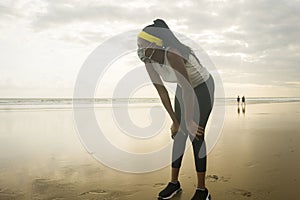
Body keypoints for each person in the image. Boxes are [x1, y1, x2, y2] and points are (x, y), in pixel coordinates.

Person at [137, 19, 214, 200]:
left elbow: (188, 88)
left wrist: (189, 121)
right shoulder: (148, 62)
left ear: (155, 44)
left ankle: (203, 190)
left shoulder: (172, 54)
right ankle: (174, 184)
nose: (138, 49)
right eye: (137, 45)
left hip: (202, 87)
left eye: (142, 45)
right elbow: (162, 91)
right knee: (179, 134)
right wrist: (175, 121)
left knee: (196, 134)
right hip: (184, 86)